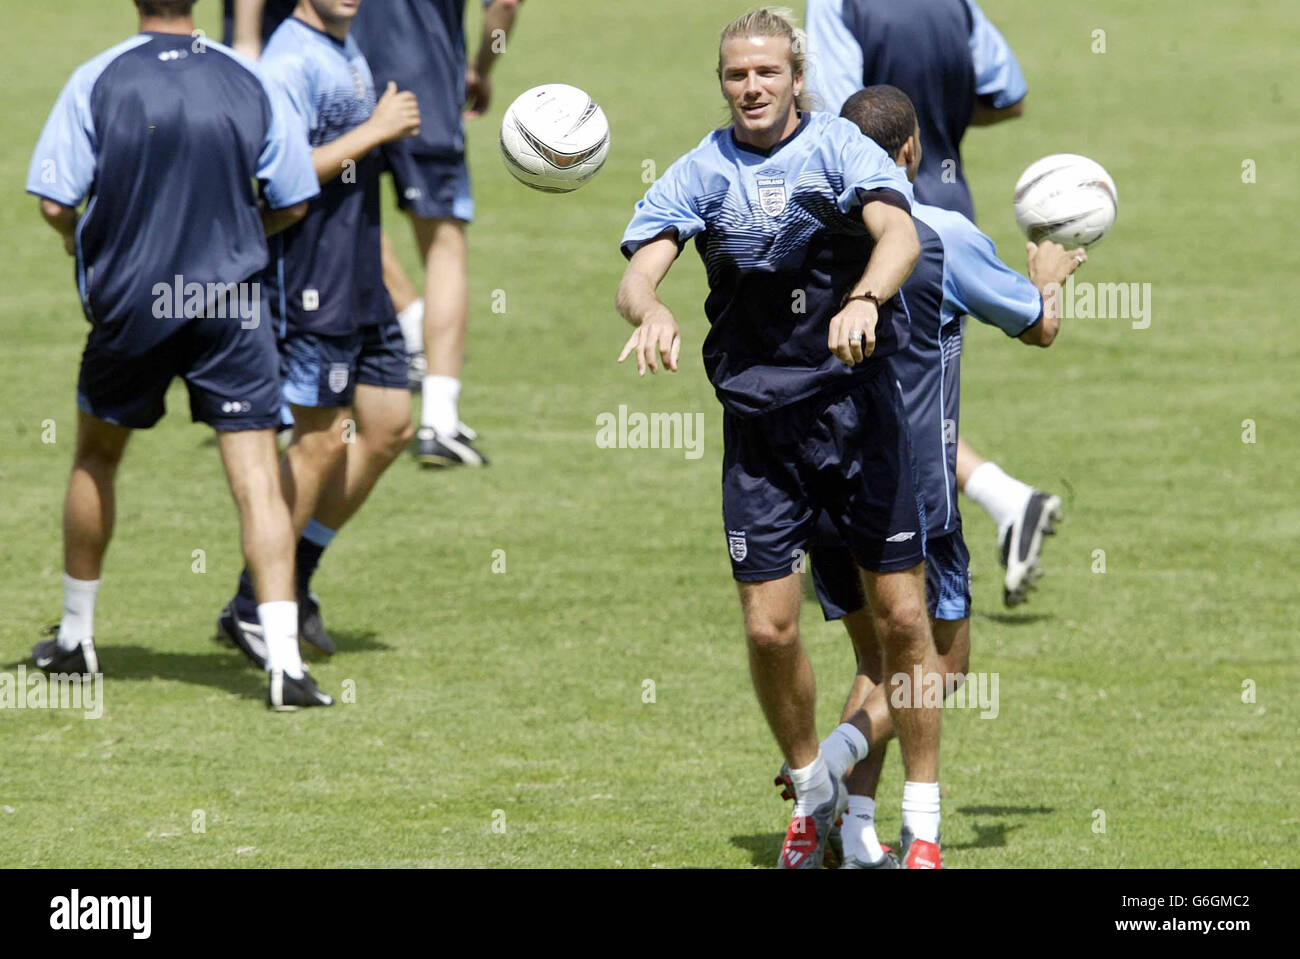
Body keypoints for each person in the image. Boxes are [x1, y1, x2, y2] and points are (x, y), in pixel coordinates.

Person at [616, 8, 946, 870]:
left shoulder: (840, 151)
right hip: (761, 433)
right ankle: (811, 792)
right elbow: (640, 265)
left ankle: (925, 825)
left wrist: (867, 299)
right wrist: (649, 304)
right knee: (769, 629)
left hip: (857, 416)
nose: (751, 88)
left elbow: (900, 232)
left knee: (904, 617)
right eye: (736, 75)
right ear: (722, 82)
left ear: (798, 77)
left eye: (766, 73)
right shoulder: (700, 170)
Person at [777, 85, 1086, 867]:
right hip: (913, 497)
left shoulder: (799, 233)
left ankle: (838, 833)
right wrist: (1047, 271)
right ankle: (853, 785)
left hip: (817, 492)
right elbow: (1039, 327)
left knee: (873, 662)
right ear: (911, 151)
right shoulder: (938, 235)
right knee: (940, 667)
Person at [26, 0, 324, 709]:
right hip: (232, 305)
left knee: (97, 456)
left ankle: (76, 636)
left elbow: (54, 202)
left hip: (133, 304)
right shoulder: (245, 78)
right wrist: (240, 231)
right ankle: (286, 666)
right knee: (255, 476)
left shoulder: (95, 78)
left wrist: (85, 242)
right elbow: (293, 199)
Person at [806, 0, 1057, 606]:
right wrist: (931, 124)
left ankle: (893, 543)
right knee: (916, 385)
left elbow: (839, 121)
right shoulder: (957, 4)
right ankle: (1000, 502)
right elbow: (1010, 95)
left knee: (871, 388)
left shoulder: (838, 5)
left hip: (871, 221)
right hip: (947, 218)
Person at [216, 0, 420, 668]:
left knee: (389, 424)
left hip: (359, 271)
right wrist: (377, 130)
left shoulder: (341, 44)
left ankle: (290, 578)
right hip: (309, 277)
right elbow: (279, 178)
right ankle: (257, 601)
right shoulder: (288, 60)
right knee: (321, 440)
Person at [352, 0, 526, 468]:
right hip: (425, 88)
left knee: (345, 224)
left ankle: (409, 320)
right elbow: (504, 6)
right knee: (444, 249)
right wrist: (480, 68)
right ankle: (439, 421)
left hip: (343, 81)